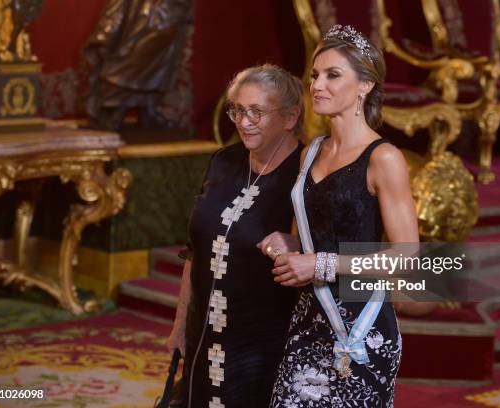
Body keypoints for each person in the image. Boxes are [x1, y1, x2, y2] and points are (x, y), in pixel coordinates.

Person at [260, 25, 431, 407]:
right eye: (315, 76)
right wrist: (286, 245)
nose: (318, 85)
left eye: (333, 75)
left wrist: (319, 264)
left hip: (362, 327)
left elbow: (407, 256)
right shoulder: (310, 153)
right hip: (308, 319)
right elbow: (308, 240)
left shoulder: (384, 158)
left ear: (365, 85)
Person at [166, 64, 304, 407]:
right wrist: (181, 322)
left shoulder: (305, 175)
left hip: (261, 346)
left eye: (256, 112)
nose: (244, 122)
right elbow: (195, 250)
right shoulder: (224, 161)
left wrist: (298, 246)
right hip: (203, 334)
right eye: (238, 111)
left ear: (289, 117)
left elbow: (318, 257)